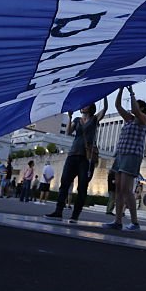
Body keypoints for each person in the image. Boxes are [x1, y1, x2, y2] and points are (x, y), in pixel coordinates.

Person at [45, 95, 107, 223]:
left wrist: (104, 95)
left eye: (87, 104)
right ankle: (58, 211)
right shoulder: (77, 120)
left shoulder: (95, 119)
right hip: (73, 154)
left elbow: (105, 108)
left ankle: (75, 215)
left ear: (91, 107)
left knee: (82, 186)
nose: (84, 106)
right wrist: (70, 117)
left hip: (85, 157)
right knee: (65, 183)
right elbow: (68, 132)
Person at [102, 87, 146, 232]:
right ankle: (117, 221)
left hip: (132, 155)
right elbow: (117, 106)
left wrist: (131, 92)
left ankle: (135, 222)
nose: (131, 110)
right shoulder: (129, 120)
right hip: (121, 155)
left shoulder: (144, 120)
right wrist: (121, 89)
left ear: (141, 108)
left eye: (136, 106)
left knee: (126, 189)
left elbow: (136, 111)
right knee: (118, 189)